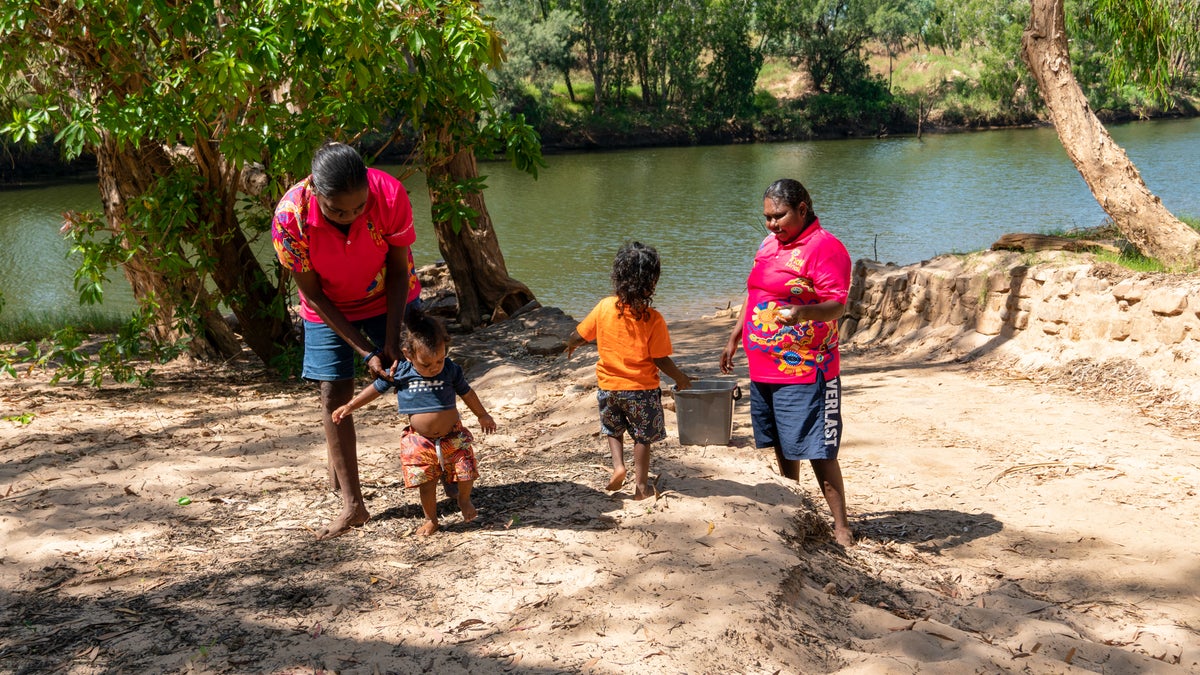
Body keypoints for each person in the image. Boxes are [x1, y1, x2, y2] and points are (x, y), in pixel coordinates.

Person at [272, 141, 422, 540]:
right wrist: (365, 350)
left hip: (388, 293)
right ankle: (353, 505)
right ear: (315, 191)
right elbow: (314, 294)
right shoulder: (290, 219)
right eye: (338, 210)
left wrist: (389, 340)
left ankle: (437, 470)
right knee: (334, 394)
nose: (351, 216)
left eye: (359, 208)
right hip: (328, 305)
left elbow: (398, 268)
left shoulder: (388, 193)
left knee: (417, 376)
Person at [719, 178, 855, 547]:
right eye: (767, 218)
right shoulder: (768, 245)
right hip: (764, 365)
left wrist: (802, 313)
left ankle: (841, 527)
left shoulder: (825, 248)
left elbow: (837, 304)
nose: (772, 225)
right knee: (782, 441)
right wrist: (735, 337)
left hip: (808, 367)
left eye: (779, 216)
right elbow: (755, 293)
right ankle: (793, 507)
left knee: (817, 448)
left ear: (802, 209)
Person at [332, 307, 496, 535]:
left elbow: (467, 393)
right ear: (408, 354)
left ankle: (464, 500)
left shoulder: (450, 370)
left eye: (439, 360)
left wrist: (482, 414)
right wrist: (350, 405)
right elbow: (376, 389)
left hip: (453, 435)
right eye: (426, 364)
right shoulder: (402, 372)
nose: (434, 368)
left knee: (466, 471)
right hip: (420, 441)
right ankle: (431, 519)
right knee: (426, 484)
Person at [567, 241, 692, 500]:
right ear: (651, 284)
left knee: (613, 429)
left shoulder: (603, 307)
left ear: (617, 277)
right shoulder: (652, 319)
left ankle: (618, 466)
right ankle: (641, 487)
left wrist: (570, 344)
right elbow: (661, 360)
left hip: (608, 387)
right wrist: (681, 378)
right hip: (641, 390)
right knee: (641, 437)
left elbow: (580, 334)